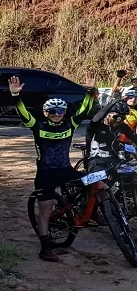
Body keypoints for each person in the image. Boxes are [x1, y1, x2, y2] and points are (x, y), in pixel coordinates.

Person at [8, 74, 96, 261]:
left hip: (66, 170)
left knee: (97, 181)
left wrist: (89, 93)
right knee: (45, 211)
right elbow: (24, 114)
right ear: (46, 113)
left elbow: (83, 110)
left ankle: (96, 214)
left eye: (61, 111)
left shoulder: (70, 124)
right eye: (53, 111)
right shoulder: (38, 125)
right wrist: (16, 96)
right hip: (45, 174)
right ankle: (45, 248)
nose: (58, 114)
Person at [85, 99, 137, 236]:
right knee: (99, 186)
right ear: (108, 115)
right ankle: (90, 209)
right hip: (96, 161)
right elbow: (97, 117)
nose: (119, 120)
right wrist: (113, 101)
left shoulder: (121, 126)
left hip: (115, 162)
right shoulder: (96, 126)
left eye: (123, 117)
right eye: (116, 116)